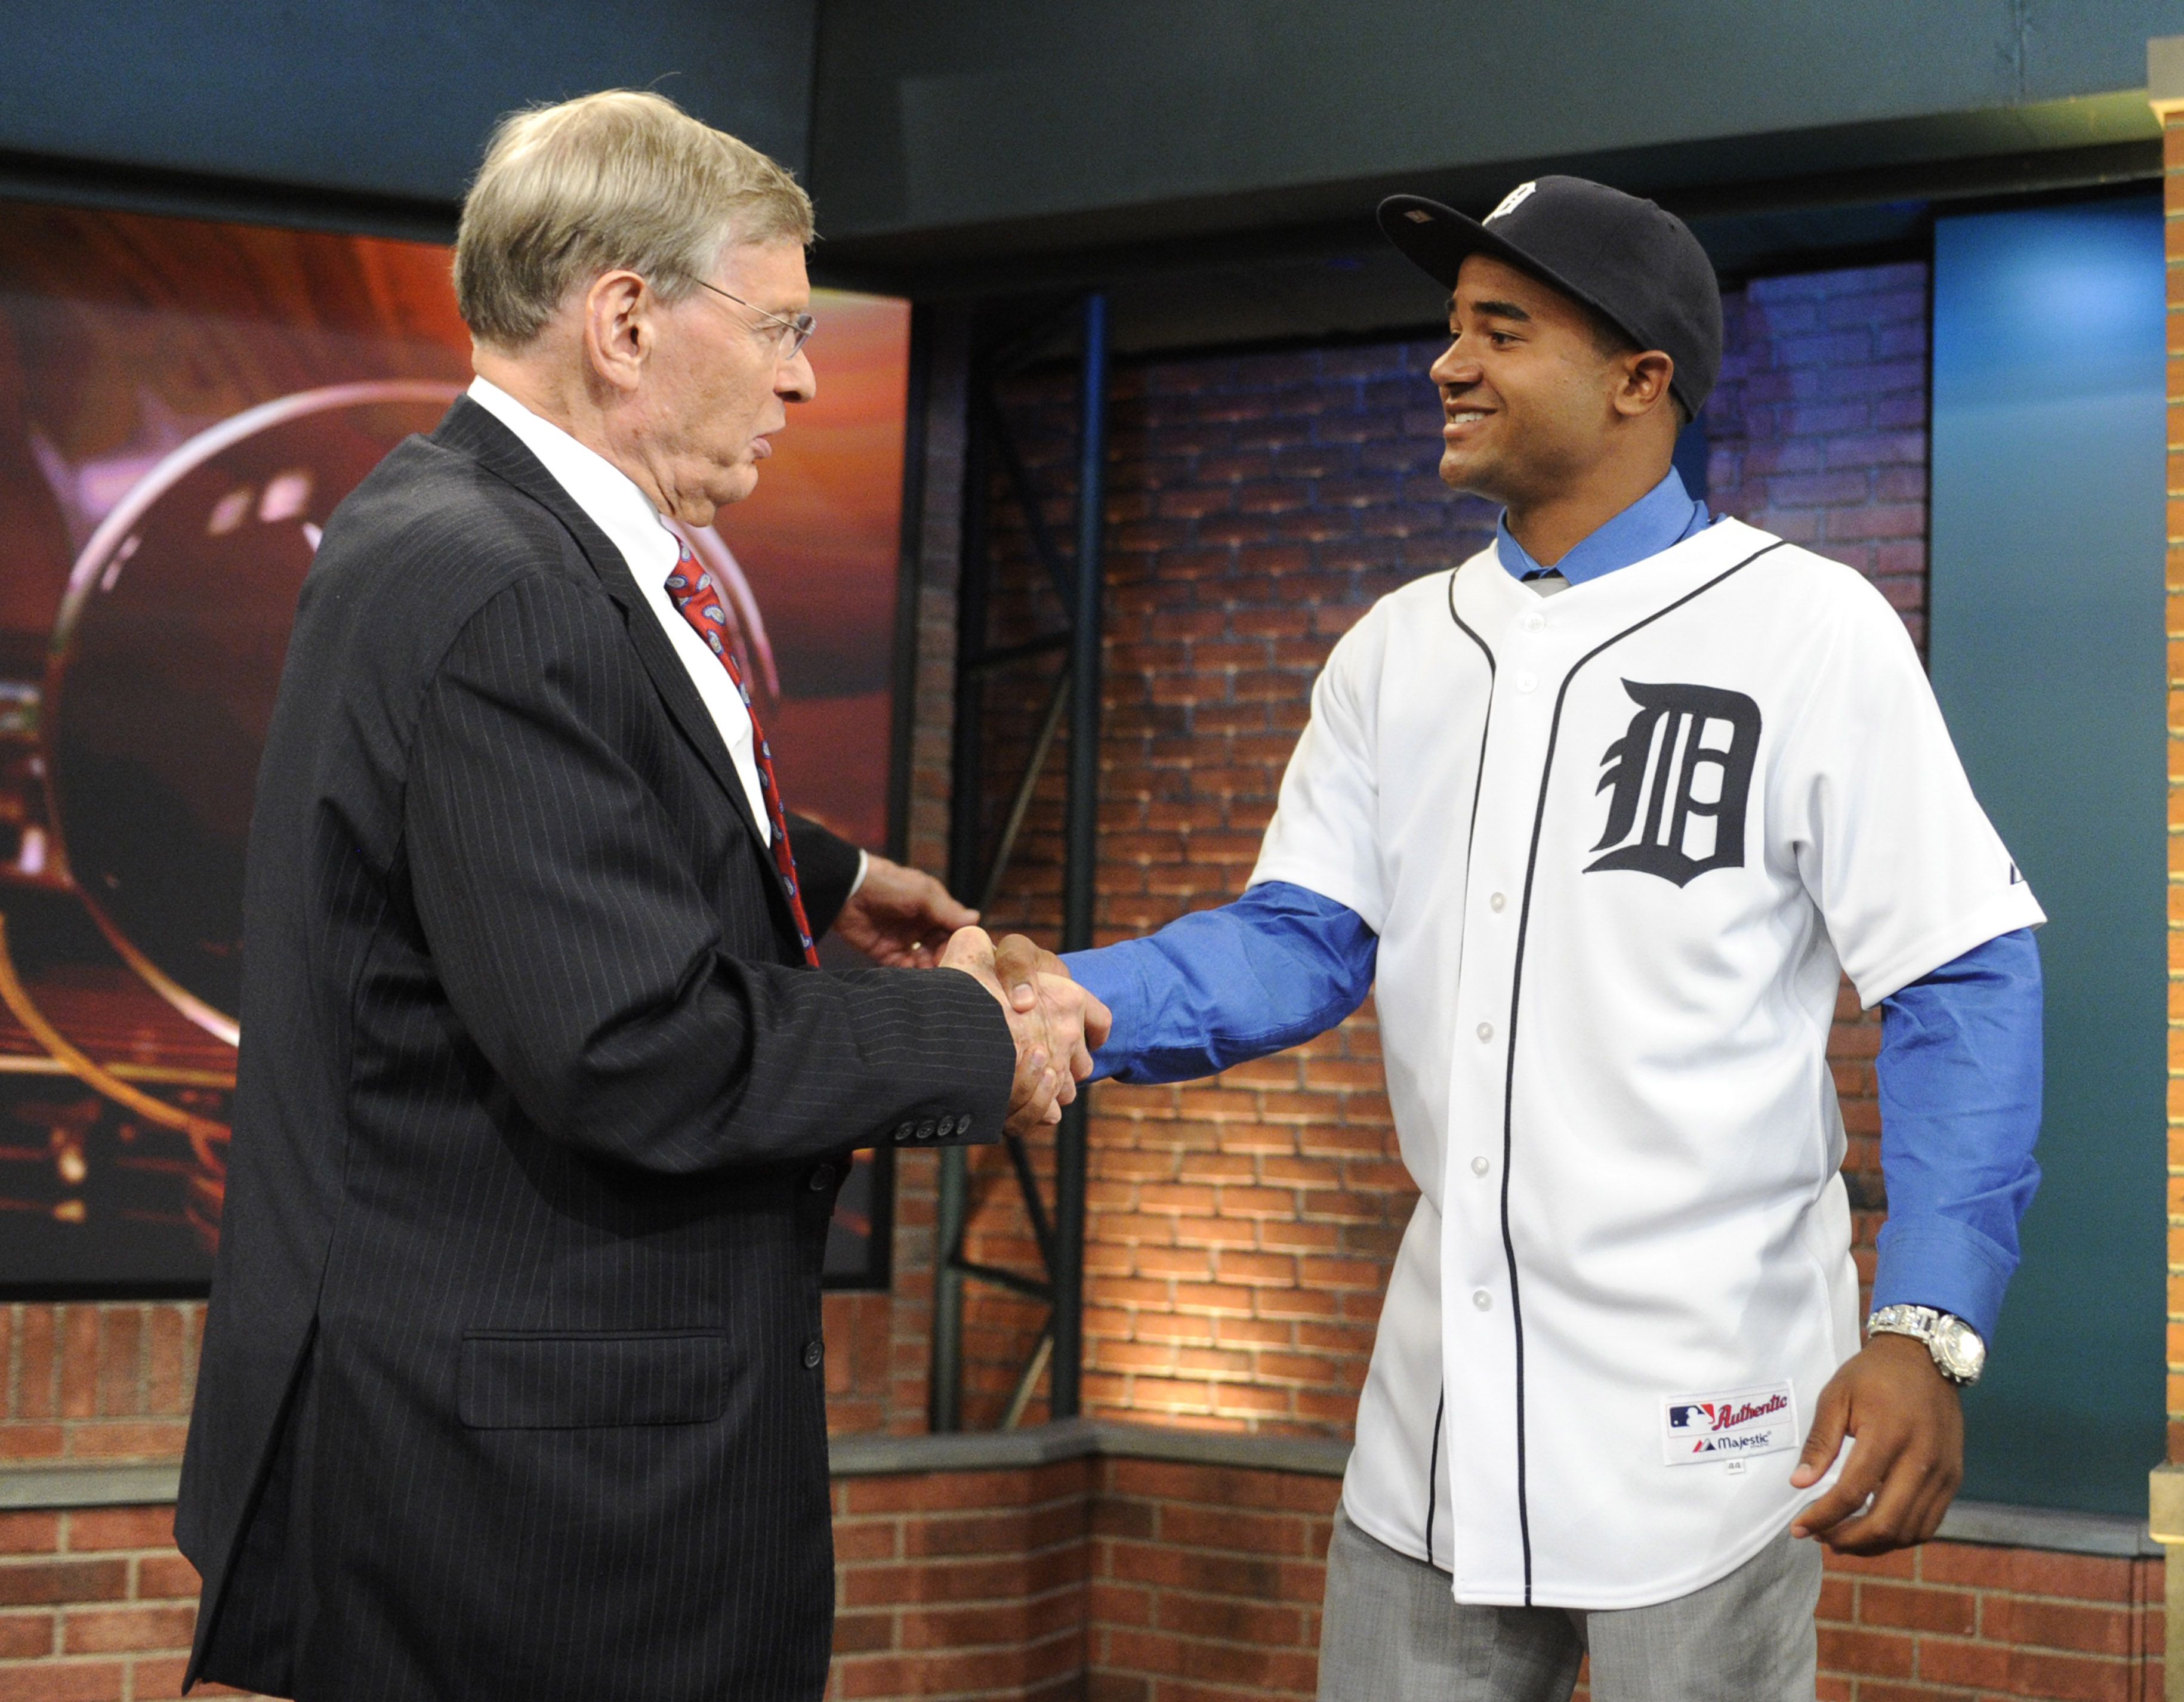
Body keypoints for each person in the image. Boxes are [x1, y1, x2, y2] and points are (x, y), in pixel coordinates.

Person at [174, 90, 1107, 1702]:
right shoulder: (499, 579)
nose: (806, 374)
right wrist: (965, 1034)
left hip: (523, 1470)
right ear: (622, 317)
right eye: (782, 325)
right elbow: (635, 1045)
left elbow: (533, 807)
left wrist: (823, 875)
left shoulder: (479, 530)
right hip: (534, 1512)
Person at [1063, 176, 2041, 1701]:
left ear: (1642, 379)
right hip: (1433, 1436)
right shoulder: (1395, 648)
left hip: (1719, 1428)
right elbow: (1303, 940)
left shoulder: (1808, 626)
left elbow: (1959, 976)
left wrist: (1927, 1322)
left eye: (1501, 329)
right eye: (1449, 326)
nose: (1446, 363)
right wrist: (1057, 999)